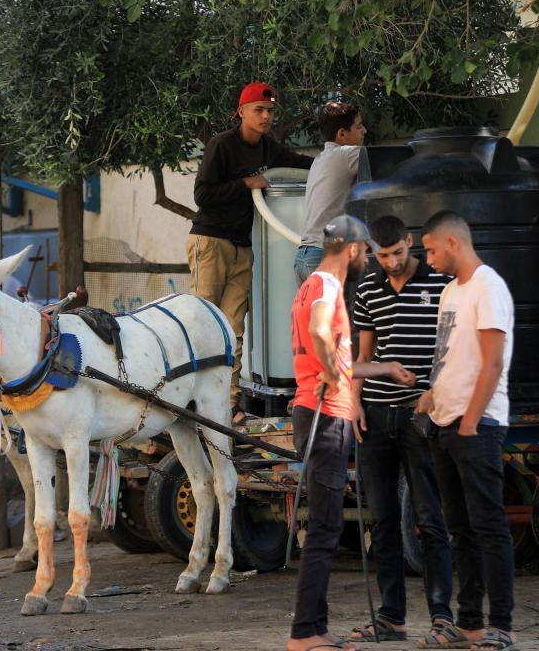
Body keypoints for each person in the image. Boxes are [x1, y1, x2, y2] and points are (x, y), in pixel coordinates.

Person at [288, 214, 416, 651]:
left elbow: (338, 356)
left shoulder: (309, 285)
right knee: (324, 529)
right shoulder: (326, 286)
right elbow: (321, 333)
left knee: (323, 526)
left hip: (319, 411)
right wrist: (330, 372)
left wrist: (382, 367)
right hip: (325, 415)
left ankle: (318, 629)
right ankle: (305, 633)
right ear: (356, 249)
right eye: (368, 253)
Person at [348, 216, 453, 643]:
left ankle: (442, 615)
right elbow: (364, 351)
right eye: (381, 254)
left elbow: (450, 349)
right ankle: (391, 617)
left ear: (409, 242)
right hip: (374, 414)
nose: (390, 262)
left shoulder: (440, 283)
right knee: (384, 519)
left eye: (397, 253)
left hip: (419, 415)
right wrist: (353, 401)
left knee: (429, 518)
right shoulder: (368, 288)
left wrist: (436, 401)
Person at [415, 210, 516, 651]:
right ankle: (469, 621)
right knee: (461, 529)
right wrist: (432, 393)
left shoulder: (488, 286)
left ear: (453, 242)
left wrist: (472, 420)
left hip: (477, 424)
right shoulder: (450, 292)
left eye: (432, 250)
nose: (429, 259)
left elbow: (493, 361)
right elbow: (448, 353)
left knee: (489, 526)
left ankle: (501, 625)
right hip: (444, 422)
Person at [187, 82, 314, 423]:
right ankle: (191, 399)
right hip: (210, 243)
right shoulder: (221, 145)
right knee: (203, 323)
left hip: (243, 246)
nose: (265, 116)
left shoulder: (268, 149)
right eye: (259, 110)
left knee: (232, 328)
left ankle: (227, 404)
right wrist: (245, 184)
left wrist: (333, 163)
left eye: (270, 111)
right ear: (241, 111)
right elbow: (202, 194)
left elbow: (299, 163)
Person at [295, 101, 367, 283]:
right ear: (342, 134)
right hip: (324, 256)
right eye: (358, 126)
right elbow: (389, 162)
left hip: (304, 257)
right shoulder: (348, 155)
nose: (364, 131)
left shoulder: (320, 158)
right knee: (335, 312)